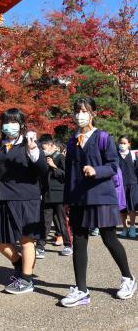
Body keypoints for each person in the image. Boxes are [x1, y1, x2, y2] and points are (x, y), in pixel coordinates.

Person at [61, 97, 136, 307]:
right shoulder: (72, 140)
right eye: (76, 111)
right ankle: (81, 290)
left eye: (84, 111)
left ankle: (128, 279)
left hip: (102, 196)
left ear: (93, 113)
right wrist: (67, 199)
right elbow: (69, 174)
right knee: (79, 241)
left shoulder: (103, 137)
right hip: (78, 199)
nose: (79, 115)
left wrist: (96, 170)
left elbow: (113, 166)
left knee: (109, 237)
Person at [0, 108, 48, 294]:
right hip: (4, 198)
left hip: (27, 198)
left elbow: (43, 169)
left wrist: (33, 150)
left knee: (27, 241)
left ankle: (26, 280)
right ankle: (20, 263)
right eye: (6, 121)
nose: (9, 125)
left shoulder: (29, 143)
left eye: (14, 121)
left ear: (21, 124)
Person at [36, 136, 72, 258]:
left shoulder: (60, 157)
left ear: (51, 145)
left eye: (44, 147)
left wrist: (54, 166)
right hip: (46, 194)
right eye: (41, 148)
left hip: (59, 195)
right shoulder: (44, 158)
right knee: (45, 222)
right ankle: (40, 247)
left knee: (61, 221)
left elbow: (67, 176)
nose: (43, 149)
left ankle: (68, 245)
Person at [118, 135, 138, 238]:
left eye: (124, 143)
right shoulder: (115, 155)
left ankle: (132, 227)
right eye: (120, 143)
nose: (122, 145)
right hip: (120, 185)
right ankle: (125, 228)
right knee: (122, 208)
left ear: (129, 144)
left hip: (133, 184)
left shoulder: (134, 155)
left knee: (132, 208)